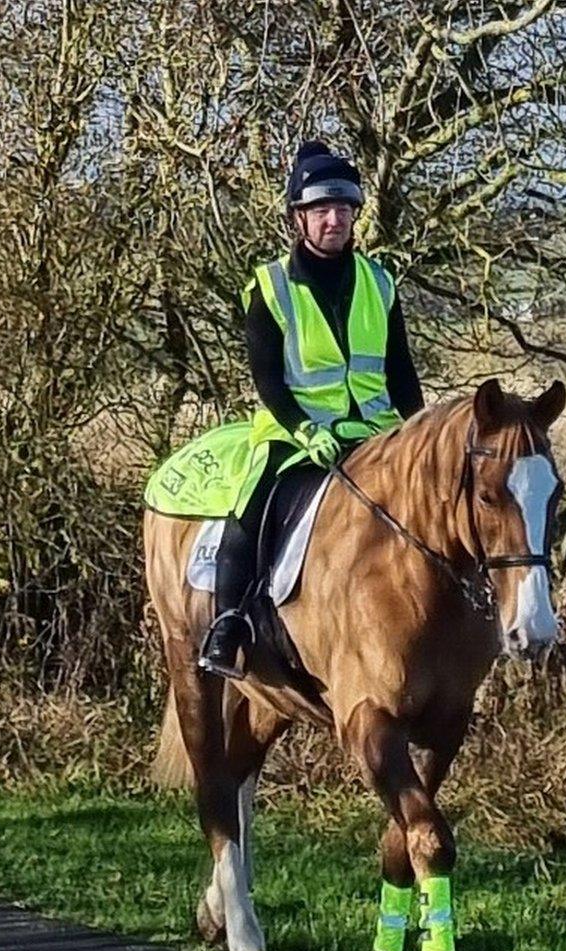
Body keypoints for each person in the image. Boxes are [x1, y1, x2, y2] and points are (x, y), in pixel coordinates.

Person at [195, 141, 426, 679]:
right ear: (298, 218)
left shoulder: (380, 282)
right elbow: (268, 380)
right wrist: (302, 429)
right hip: (295, 432)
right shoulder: (270, 287)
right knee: (252, 505)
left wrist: (418, 429)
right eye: (322, 210)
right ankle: (228, 624)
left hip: (374, 432)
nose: (334, 220)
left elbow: (401, 372)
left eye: (343, 210)